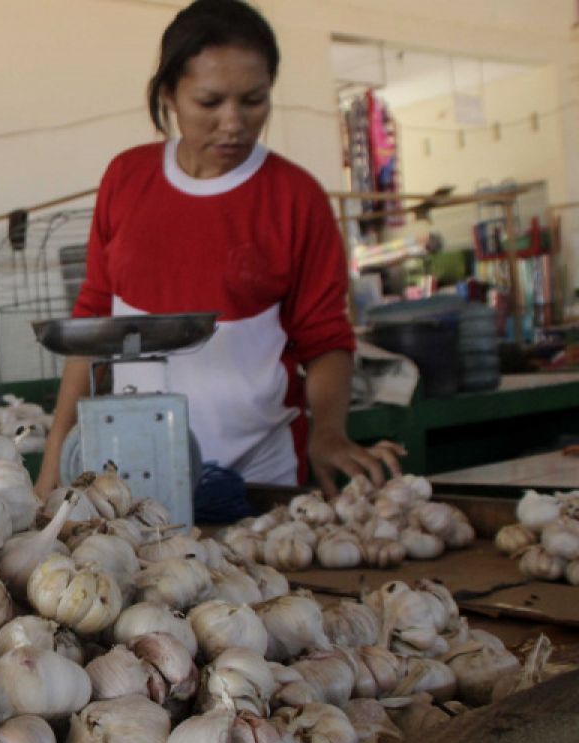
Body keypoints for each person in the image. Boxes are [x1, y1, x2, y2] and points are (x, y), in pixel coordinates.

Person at [36, 0, 403, 500]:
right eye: (210, 103)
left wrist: (328, 432)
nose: (233, 123)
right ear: (169, 94)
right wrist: (55, 455)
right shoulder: (127, 178)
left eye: (253, 101)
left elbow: (324, 338)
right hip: (129, 474)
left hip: (260, 476)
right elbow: (93, 322)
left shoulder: (296, 198)